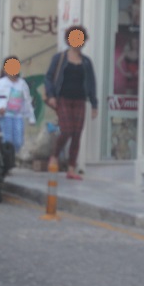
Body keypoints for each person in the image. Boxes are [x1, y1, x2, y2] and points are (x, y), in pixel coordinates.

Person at [44, 26, 99, 180]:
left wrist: (94, 104)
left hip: (80, 100)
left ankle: (71, 168)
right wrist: (51, 95)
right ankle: (55, 155)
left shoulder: (86, 62)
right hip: (63, 99)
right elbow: (48, 77)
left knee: (77, 134)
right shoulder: (59, 58)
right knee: (67, 131)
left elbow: (91, 83)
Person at [0, 55, 36, 154]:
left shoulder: (22, 84)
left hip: (18, 116)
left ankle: (14, 155)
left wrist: (31, 117)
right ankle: (6, 157)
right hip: (4, 116)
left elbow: (27, 101)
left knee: (18, 141)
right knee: (6, 140)